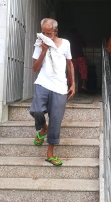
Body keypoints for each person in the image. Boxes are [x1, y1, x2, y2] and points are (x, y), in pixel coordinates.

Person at [29, 18, 75, 166]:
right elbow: (35, 69)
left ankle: (50, 153)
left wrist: (73, 84)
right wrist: (43, 51)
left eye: (48, 33)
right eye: (43, 32)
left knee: (55, 120)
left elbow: (70, 64)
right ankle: (43, 128)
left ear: (55, 31)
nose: (45, 35)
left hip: (60, 87)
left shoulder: (65, 43)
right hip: (43, 82)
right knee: (36, 110)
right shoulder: (39, 43)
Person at [67, 27, 88, 92]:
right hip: (80, 56)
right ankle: (83, 85)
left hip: (72, 57)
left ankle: (69, 87)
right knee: (83, 70)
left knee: (70, 71)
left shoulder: (68, 38)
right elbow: (84, 45)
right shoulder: (79, 37)